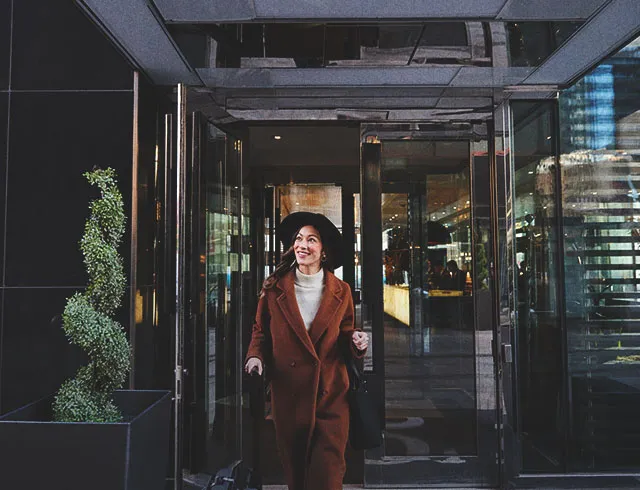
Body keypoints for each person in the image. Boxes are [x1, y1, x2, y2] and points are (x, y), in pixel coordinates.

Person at [244, 212, 369, 490]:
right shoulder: (274, 289)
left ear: (323, 251)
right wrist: (255, 357)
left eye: (311, 240)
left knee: (328, 474)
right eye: (299, 239)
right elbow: (260, 331)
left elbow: (346, 331)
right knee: (297, 476)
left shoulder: (342, 291)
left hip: (331, 394)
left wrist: (356, 341)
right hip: (290, 395)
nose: (302, 245)